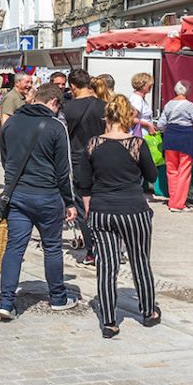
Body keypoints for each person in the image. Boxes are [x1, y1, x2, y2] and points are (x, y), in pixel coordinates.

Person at [74, 95, 160, 337]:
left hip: (102, 211)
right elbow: (152, 176)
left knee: (106, 265)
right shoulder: (136, 145)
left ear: (107, 117)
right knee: (139, 261)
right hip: (133, 210)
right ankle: (148, 311)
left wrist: (89, 207)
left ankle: (109, 320)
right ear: (126, 118)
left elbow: (83, 183)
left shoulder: (92, 144)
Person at [0, 82, 78, 320]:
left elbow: (5, 158)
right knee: (52, 247)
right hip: (47, 195)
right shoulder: (56, 127)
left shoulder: (10, 123)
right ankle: (58, 298)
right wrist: (69, 202)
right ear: (54, 102)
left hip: (18, 195)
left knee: (14, 248)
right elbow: (64, 170)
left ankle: (6, 302)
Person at [62, 68, 105, 266]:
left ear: (73, 86)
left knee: (82, 206)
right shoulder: (103, 106)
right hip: (102, 159)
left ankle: (91, 250)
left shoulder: (67, 108)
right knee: (103, 203)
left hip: (78, 161)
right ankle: (107, 246)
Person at [157, 81, 193, 213]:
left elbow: (160, 124)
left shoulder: (168, 105)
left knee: (171, 170)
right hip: (186, 139)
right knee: (184, 171)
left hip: (170, 138)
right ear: (186, 89)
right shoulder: (190, 106)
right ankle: (178, 203)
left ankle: (173, 200)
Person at [130, 72, 156, 138]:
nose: (151, 87)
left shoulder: (140, 99)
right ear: (143, 85)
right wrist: (148, 125)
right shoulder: (137, 100)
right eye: (149, 85)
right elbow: (131, 119)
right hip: (139, 135)